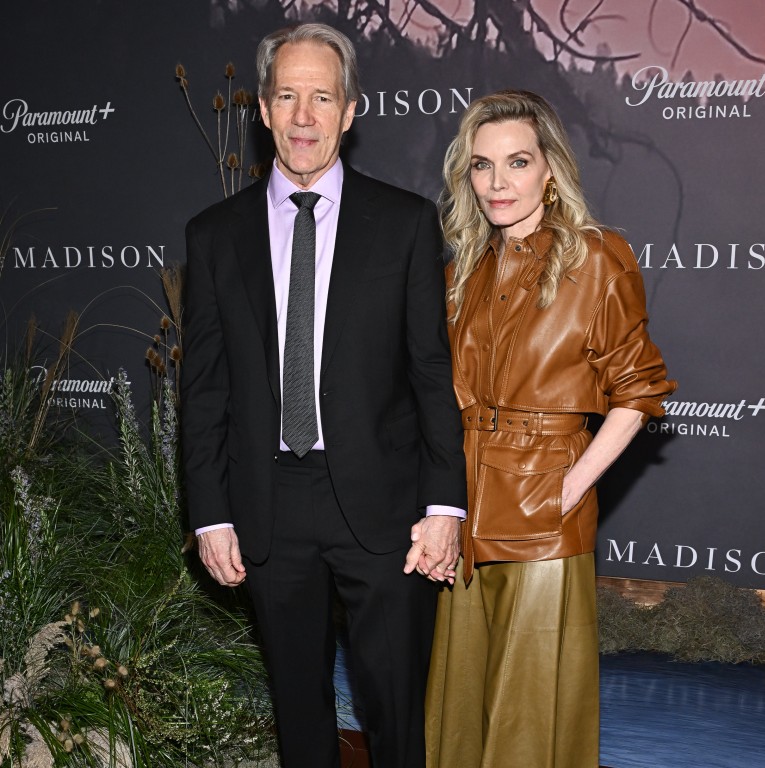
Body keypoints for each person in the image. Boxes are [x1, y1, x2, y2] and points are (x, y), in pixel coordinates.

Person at [180, 23, 467, 768]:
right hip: (268, 505)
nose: (304, 116)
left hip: (386, 510)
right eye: (287, 96)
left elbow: (432, 374)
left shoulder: (405, 225)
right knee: (298, 716)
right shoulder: (214, 235)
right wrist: (209, 512)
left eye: (322, 97)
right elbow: (204, 387)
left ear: (349, 111)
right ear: (264, 111)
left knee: (395, 715)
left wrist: (444, 507)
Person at [425, 90, 676, 768]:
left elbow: (639, 392)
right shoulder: (461, 274)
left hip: (543, 517)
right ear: (466, 176)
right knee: (457, 720)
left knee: (529, 727)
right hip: (469, 515)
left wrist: (567, 491)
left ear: (549, 169)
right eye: (481, 166)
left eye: (517, 162)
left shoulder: (597, 258)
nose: (498, 183)